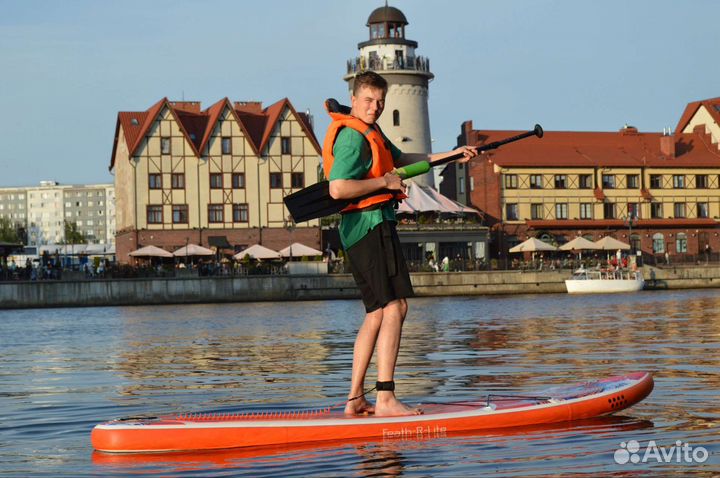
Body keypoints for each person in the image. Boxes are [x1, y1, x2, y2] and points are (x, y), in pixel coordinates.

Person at [324, 71, 477, 416]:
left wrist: (452, 155)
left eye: (380, 102)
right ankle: (386, 398)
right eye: (368, 100)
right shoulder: (353, 137)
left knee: (377, 313)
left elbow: (404, 162)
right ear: (353, 98)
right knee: (396, 308)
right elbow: (338, 189)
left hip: (362, 229)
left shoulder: (371, 132)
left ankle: (355, 400)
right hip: (370, 226)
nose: (375, 107)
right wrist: (383, 181)